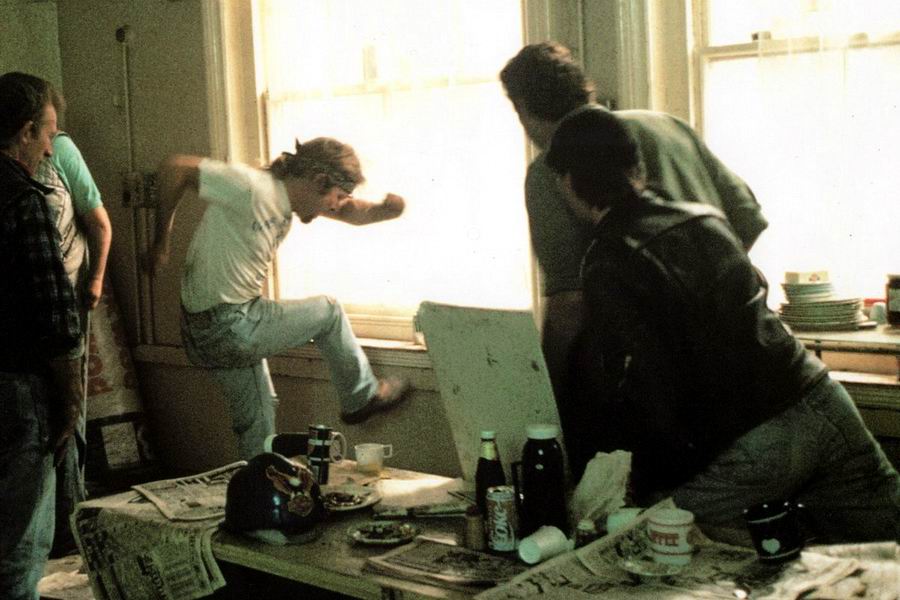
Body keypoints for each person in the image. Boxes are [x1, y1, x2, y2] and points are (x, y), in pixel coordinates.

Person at [544, 105, 900, 544]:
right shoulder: (705, 216)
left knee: (655, 544)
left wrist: (644, 480)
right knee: (888, 550)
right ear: (637, 165)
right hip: (822, 401)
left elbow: (649, 386)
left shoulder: (609, 258)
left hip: (755, 439)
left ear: (568, 182)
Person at [499, 42, 769, 416]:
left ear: (523, 108)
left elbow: (569, 304)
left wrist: (545, 393)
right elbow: (748, 218)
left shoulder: (551, 170)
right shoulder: (668, 125)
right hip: (746, 354)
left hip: (654, 386)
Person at [147, 140, 411, 460]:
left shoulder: (287, 199)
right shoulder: (253, 186)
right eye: (338, 196)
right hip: (230, 322)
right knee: (329, 312)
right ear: (317, 180)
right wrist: (161, 241)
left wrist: (386, 211)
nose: (336, 207)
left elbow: (350, 211)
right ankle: (361, 398)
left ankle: (259, 483)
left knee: (258, 421)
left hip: (205, 333)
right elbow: (175, 169)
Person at [0, 72, 84, 600]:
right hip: (17, 388)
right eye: (48, 134)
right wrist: (71, 395)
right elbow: (55, 311)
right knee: (21, 544)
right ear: (27, 131)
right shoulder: (24, 200)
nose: (51, 148)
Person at [35, 126, 112, 558]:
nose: (46, 142)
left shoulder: (61, 149)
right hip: (27, 309)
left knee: (68, 410)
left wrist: (95, 280)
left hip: (65, 302)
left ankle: (67, 526)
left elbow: (99, 223)